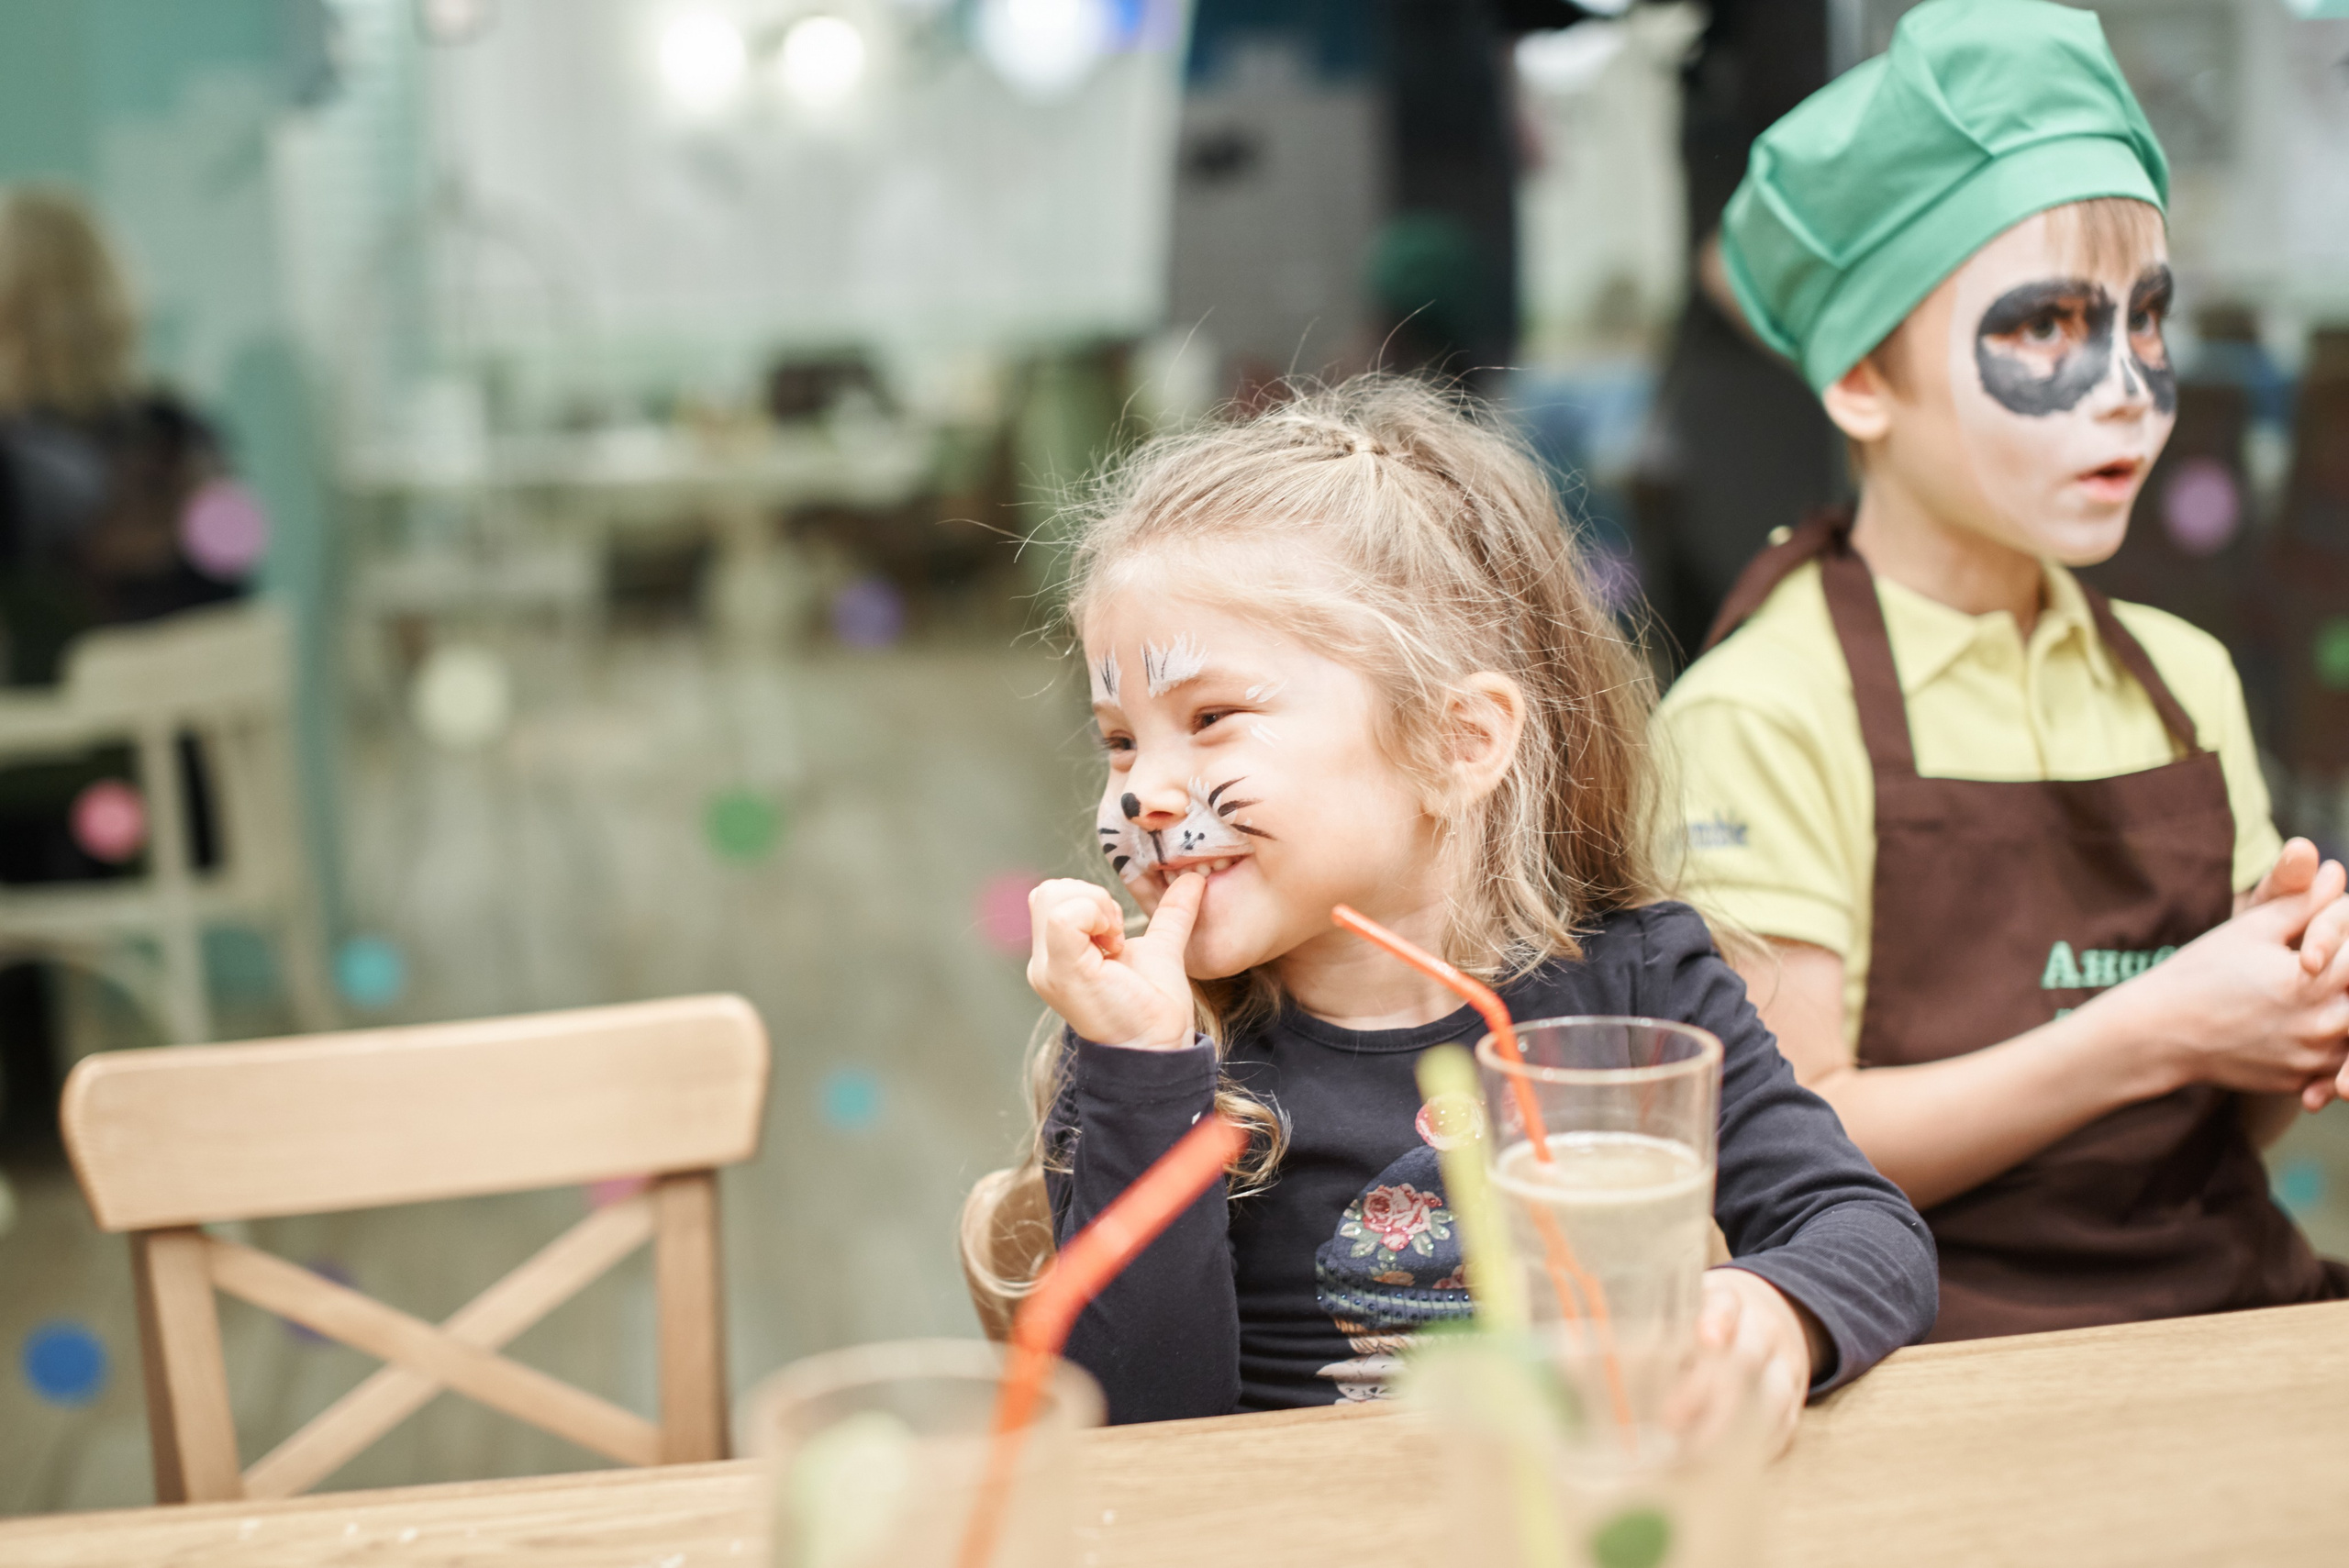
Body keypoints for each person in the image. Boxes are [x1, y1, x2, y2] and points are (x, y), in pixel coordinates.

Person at [961, 376, 1937, 1439]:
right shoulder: (1152, 1046)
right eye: (1119, 738)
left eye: (1210, 715)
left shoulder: (1638, 979)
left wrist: (1776, 1309)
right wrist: (1146, 1074)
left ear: (1457, 742)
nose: (1141, 792)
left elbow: (1863, 1227)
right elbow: (1141, 1426)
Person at [1657, 0, 2349, 1343]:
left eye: (2147, 320)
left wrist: (2291, 1010)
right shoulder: (1761, 712)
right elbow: (1784, 1157)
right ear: (1862, 376)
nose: (2127, 390)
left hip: (2217, 1322)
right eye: (2046, 328)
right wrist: (2162, 1022)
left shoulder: (2180, 676)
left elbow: (2231, 1124)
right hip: (1924, 1356)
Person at [0, 186, 248, 1156]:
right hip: (189, 797)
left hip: (70, 811)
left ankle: (28, 1112)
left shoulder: (15, 468)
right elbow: (233, 585)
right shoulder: (188, 434)